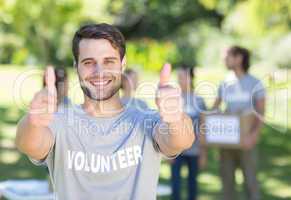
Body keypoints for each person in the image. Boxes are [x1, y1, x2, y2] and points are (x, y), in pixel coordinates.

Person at [15, 23, 195, 200]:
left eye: (108, 61)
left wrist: (176, 118)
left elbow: (181, 140)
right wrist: (33, 122)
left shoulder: (145, 119)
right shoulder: (60, 121)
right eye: (88, 62)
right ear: (76, 65)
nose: (99, 71)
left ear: (122, 64)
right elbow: (29, 144)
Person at [212, 46, 266, 200]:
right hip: (227, 143)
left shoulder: (255, 83)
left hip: (247, 141)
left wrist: (254, 136)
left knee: (250, 182)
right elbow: (214, 110)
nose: (224, 60)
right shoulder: (224, 83)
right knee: (227, 184)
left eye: (227, 56)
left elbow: (261, 113)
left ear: (239, 58)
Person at [171, 66, 207, 200]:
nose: (180, 80)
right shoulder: (173, 99)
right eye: (178, 77)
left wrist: (203, 152)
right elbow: (168, 126)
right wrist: (169, 152)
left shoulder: (199, 100)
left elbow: (203, 127)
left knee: (193, 185)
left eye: (183, 76)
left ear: (190, 78)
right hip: (176, 151)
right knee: (176, 185)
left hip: (195, 150)